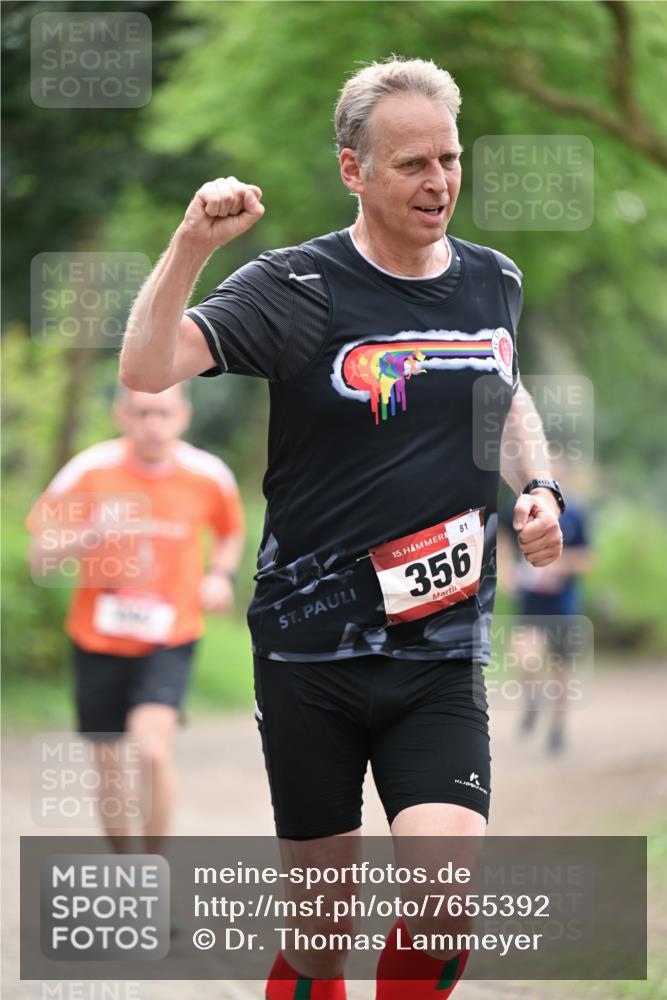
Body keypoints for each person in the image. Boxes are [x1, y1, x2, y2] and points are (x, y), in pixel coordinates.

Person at [120, 57, 564, 999]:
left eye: (448, 159)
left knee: (444, 901)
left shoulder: (494, 282)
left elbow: (503, 392)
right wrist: (192, 245)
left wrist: (538, 488)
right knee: (322, 940)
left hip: (439, 653)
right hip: (308, 655)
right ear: (352, 170)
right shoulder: (295, 286)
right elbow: (147, 367)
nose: (437, 182)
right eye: (410, 164)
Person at [27, 383, 244, 852]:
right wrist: (86, 535)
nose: (153, 424)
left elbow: (229, 532)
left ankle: (153, 869)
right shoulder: (89, 471)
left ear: (183, 415)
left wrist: (220, 575)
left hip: (170, 636)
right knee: (109, 767)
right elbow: (39, 557)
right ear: (121, 415)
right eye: (142, 413)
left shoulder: (208, 475)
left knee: (150, 752)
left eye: (163, 412)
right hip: (97, 639)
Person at [499, 480, 590, 754]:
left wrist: (559, 565)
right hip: (530, 605)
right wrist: (507, 575)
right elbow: (502, 541)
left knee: (561, 671)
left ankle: (557, 729)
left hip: (562, 607)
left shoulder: (576, 513)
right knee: (526, 659)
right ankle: (533, 700)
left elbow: (588, 558)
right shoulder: (517, 509)